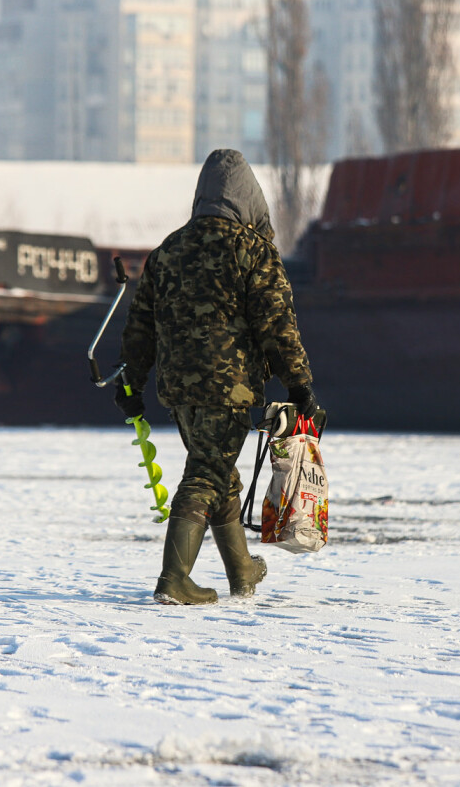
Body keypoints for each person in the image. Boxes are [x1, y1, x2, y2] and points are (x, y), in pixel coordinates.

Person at [117, 148, 322, 605]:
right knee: (208, 471)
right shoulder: (251, 249)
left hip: (177, 387)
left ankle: (242, 570)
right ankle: (174, 579)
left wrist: (130, 383)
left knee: (219, 471)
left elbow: (140, 325)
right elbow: (277, 323)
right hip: (229, 387)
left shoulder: (166, 251)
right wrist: (299, 384)